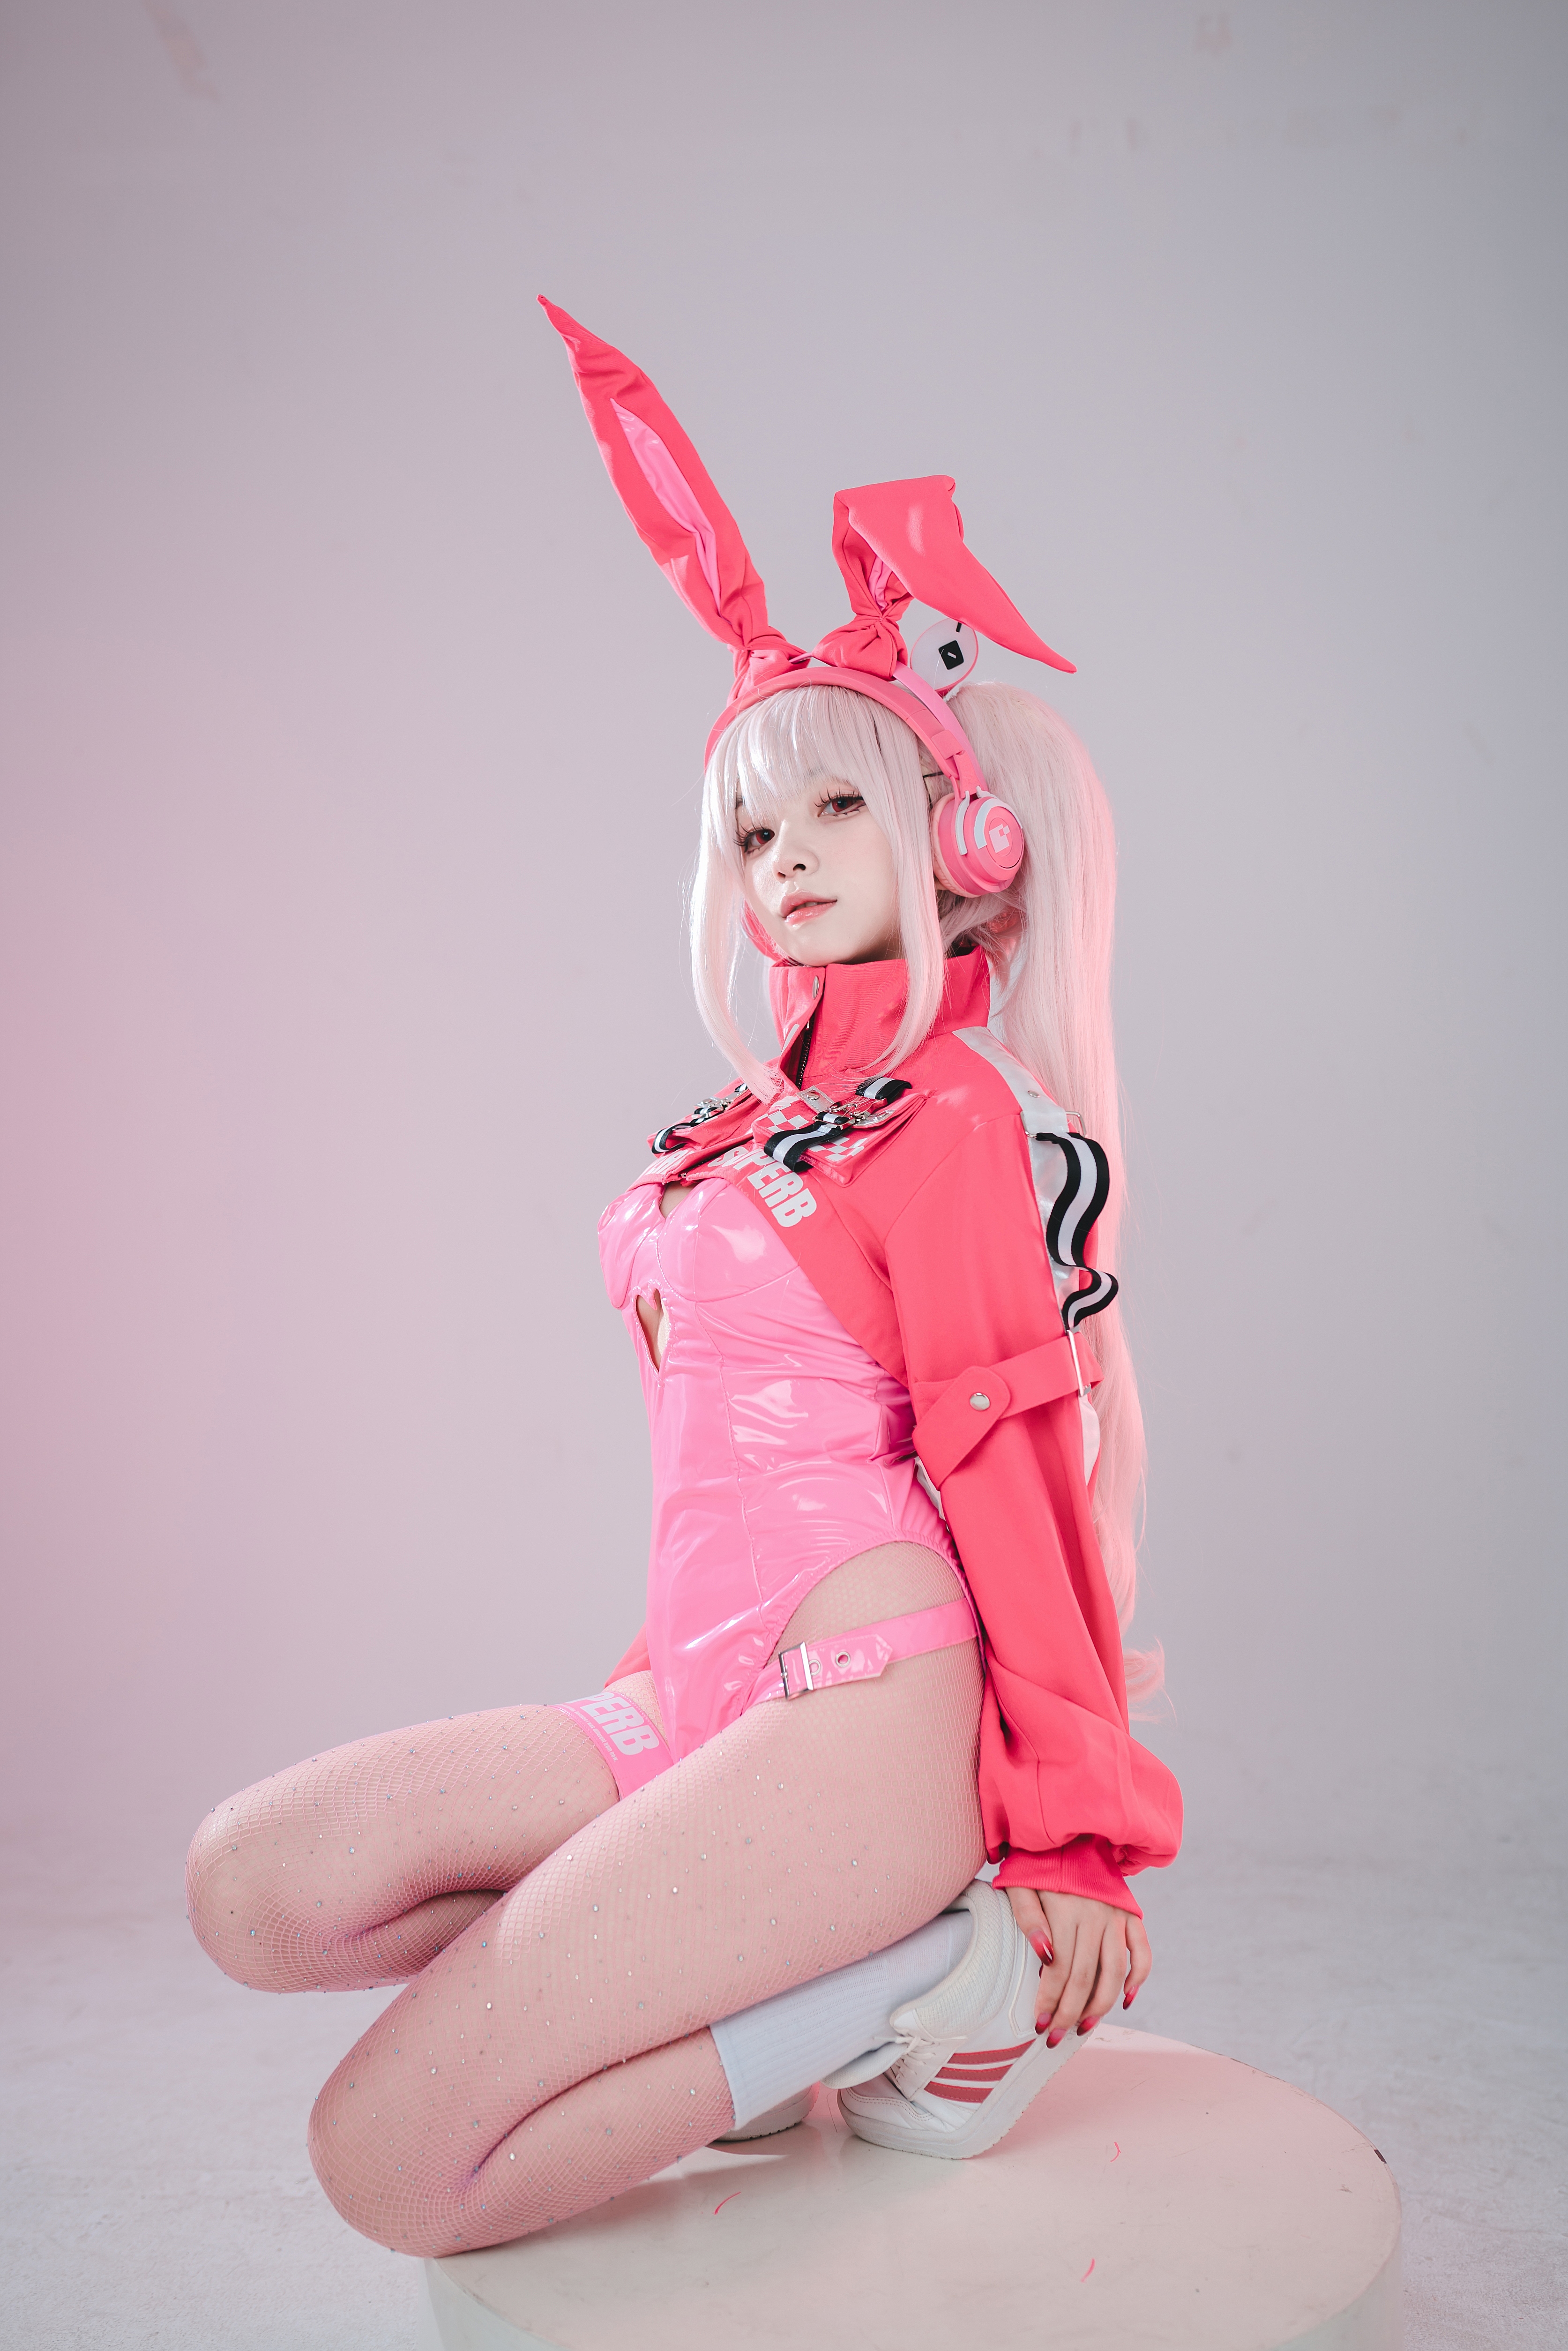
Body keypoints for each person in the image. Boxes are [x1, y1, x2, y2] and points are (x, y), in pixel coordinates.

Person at [185, 304, 1182, 2260]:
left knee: (391, 2166)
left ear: (961, 839)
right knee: (257, 1887)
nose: (783, 858)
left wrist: (1072, 1834)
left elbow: (1014, 1473)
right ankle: (784, 1954)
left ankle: (923, 1977)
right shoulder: (760, 1121)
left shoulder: (957, 1117)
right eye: (752, 824)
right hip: (698, 1686)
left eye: (835, 807)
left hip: (867, 1710)